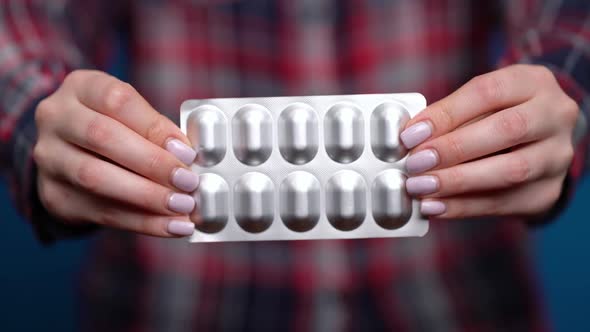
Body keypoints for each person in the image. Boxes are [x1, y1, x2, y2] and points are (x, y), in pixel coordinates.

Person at [1, 0, 588, 330]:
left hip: (461, 301)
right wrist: (38, 116)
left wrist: (561, 88)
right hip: (176, 304)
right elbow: (24, 23)